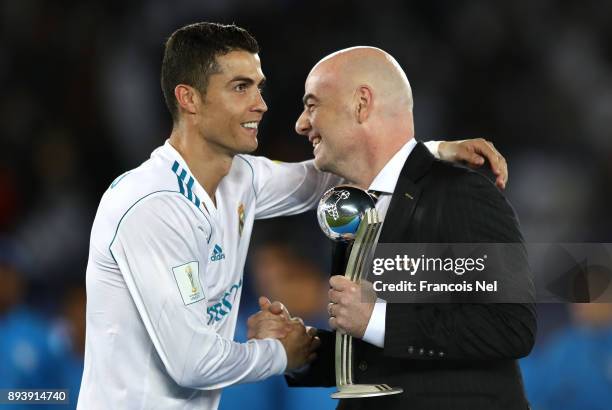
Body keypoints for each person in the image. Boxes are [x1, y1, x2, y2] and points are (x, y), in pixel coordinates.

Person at [78, 22, 511, 410]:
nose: (261, 105)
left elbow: (335, 169)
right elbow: (192, 364)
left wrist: (430, 151)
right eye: (240, 87)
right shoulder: (151, 206)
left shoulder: (239, 179)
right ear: (188, 99)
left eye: (259, 87)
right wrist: (282, 352)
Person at [249, 47, 536, 409]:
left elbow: (510, 326)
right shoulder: (360, 209)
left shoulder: (460, 194)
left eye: (312, 104)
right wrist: (302, 350)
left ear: (361, 104)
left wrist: (374, 318)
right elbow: (387, 360)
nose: (301, 124)